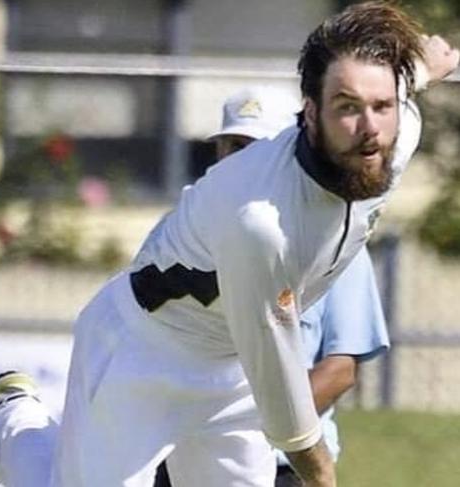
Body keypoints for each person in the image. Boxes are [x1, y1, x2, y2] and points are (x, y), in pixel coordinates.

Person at [0, 2, 459, 486]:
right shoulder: (261, 221)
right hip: (145, 352)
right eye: (346, 107)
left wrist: (426, 66)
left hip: (231, 366)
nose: (369, 128)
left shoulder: (392, 134)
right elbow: (279, 381)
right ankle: (8, 424)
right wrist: (319, 470)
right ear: (310, 114)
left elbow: (404, 84)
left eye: (380, 106)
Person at [153, 87, 390, 487]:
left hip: (283, 463)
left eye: (256, 147)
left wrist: (251, 422)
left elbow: (339, 370)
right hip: (183, 454)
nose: (243, 160)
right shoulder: (182, 231)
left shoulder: (335, 239)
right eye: (232, 146)